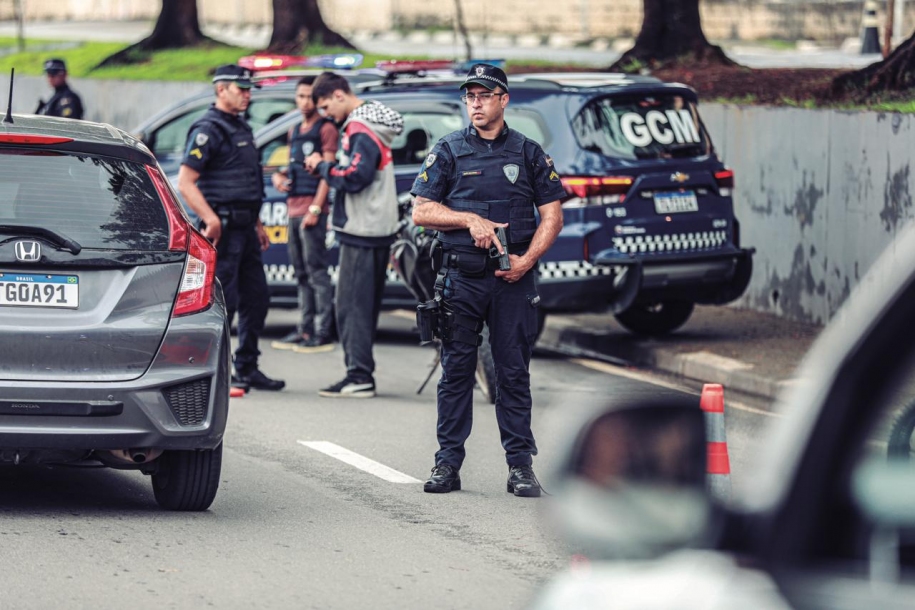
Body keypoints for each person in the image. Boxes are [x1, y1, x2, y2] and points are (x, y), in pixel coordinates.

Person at [410, 64, 565, 497]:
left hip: (513, 280)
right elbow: (422, 210)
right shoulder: (449, 150)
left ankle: (520, 467)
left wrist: (527, 260)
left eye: (484, 95)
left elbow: (552, 215)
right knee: (456, 372)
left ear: (503, 100)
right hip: (461, 280)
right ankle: (447, 464)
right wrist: (468, 218)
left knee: (513, 374)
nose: (475, 103)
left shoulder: (529, 153)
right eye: (470, 96)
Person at [177, 64, 285, 392]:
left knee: (257, 297)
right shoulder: (207, 129)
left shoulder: (240, 127)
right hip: (223, 228)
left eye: (249, 90)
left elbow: (245, 182)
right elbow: (186, 182)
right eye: (242, 89)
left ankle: (247, 366)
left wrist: (257, 224)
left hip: (246, 228)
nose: (248, 95)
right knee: (227, 301)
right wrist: (210, 219)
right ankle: (215, 372)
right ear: (221, 90)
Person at [303, 72, 404, 398]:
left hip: (363, 229)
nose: (325, 114)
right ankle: (359, 372)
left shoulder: (361, 128)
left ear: (338, 95)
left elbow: (356, 175)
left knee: (351, 307)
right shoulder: (371, 123)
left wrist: (322, 166)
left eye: (325, 106)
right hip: (374, 227)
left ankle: (359, 376)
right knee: (361, 306)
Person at [270, 76, 339, 354]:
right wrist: (279, 176)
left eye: (309, 96)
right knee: (300, 272)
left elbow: (328, 172)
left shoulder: (327, 129)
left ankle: (323, 331)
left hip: (312, 210)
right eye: (300, 96)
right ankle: (305, 328)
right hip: (293, 208)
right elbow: (295, 166)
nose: (304, 102)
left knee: (316, 272)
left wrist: (316, 208)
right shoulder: (295, 130)